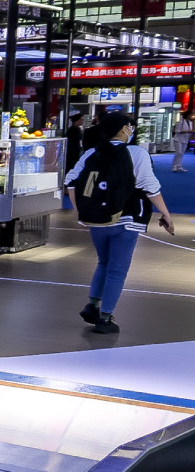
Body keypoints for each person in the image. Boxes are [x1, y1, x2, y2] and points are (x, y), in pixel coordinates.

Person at [64, 111, 177, 334]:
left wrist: (80, 211)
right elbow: (149, 186)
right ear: (124, 129)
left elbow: (71, 182)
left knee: (103, 262)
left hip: (97, 220)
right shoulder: (137, 153)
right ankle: (105, 318)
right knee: (117, 269)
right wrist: (165, 214)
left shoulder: (92, 153)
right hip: (127, 219)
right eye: (129, 127)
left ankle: (92, 304)